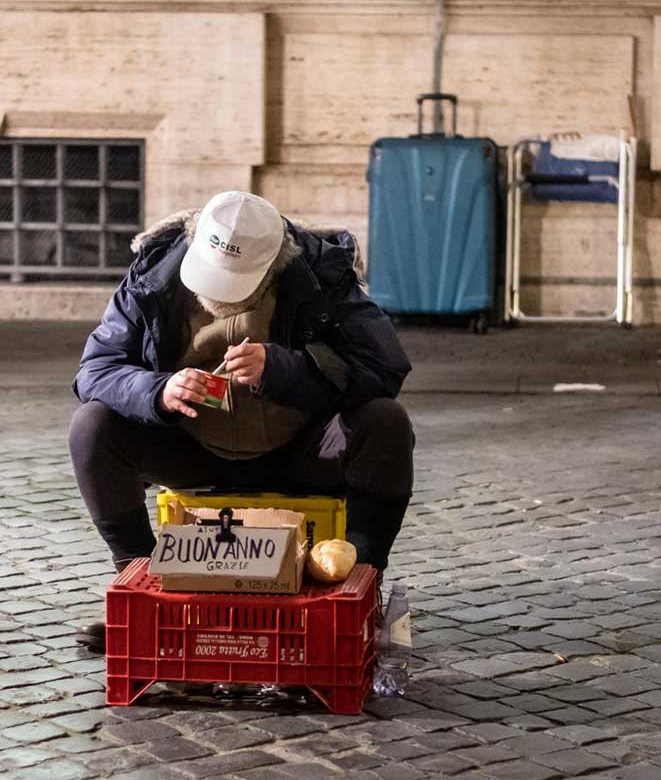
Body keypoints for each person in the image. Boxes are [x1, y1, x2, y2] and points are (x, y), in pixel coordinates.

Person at [68, 190, 414, 653]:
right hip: (189, 447)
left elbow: (384, 368)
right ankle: (141, 590)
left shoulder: (321, 274)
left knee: (386, 423)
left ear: (273, 264)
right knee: (92, 426)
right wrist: (158, 390)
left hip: (298, 449)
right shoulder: (154, 276)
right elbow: (95, 369)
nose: (217, 292)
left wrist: (287, 370)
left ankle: (360, 596)